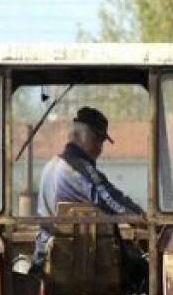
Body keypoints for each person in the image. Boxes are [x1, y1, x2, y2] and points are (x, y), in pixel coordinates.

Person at [30, 106, 144, 273]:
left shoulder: (51, 165)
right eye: (97, 139)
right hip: (74, 260)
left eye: (101, 142)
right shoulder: (78, 169)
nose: (99, 148)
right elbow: (111, 200)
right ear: (78, 136)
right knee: (142, 269)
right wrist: (142, 218)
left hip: (46, 257)